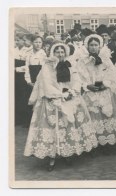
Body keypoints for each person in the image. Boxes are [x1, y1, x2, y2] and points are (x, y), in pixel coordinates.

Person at [24, 43, 97, 171]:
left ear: (66, 53)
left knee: (69, 125)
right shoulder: (47, 66)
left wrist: (72, 92)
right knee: (55, 126)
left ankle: (67, 152)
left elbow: (76, 80)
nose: (60, 54)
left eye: (62, 51)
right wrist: (60, 95)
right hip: (54, 98)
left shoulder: (70, 64)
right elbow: (46, 84)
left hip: (69, 96)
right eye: (57, 52)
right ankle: (52, 156)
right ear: (53, 53)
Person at [77, 34, 116, 146]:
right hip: (90, 92)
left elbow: (112, 74)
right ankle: (93, 143)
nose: (93, 47)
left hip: (104, 90)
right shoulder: (82, 61)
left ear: (99, 46)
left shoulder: (106, 59)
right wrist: (87, 86)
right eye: (91, 45)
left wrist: (105, 84)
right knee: (92, 117)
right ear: (87, 46)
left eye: (96, 45)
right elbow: (78, 77)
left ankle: (106, 142)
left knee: (106, 116)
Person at [14, 33, 30, 126]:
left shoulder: (27, 50)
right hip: (15, 76)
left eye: (18, 40)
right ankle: (17, 119)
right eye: (16, 40)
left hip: (23, 76)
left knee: (23, 97)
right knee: (16, 96)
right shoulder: (13, 50)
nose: (16, 42)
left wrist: (17, 69)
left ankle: (24, 120)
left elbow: (28, 65)